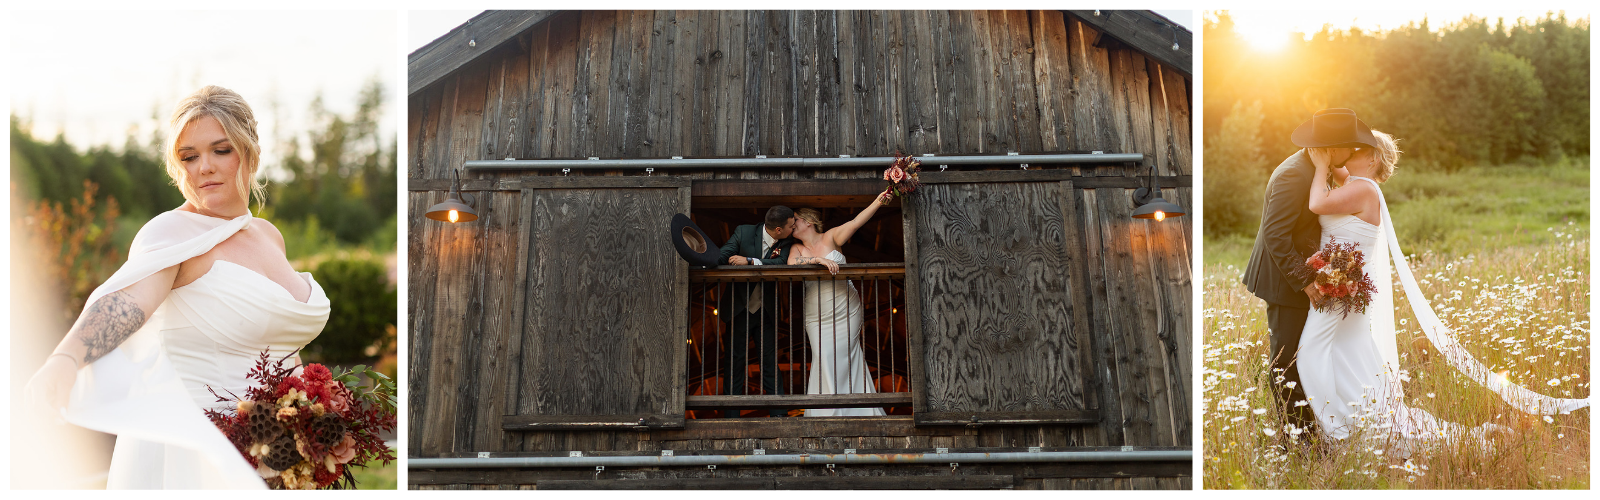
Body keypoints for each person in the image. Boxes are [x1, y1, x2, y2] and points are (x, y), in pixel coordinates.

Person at [22, 86, 330, 489]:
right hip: (200, 451)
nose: (205, 167)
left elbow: (279, 345)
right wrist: (66, 360)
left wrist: (316, 422)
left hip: (281, 452)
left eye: (221, 150)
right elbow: (127, 302)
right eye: (189, 156)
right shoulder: (171, 232)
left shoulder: (269, 236)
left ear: (250, 153)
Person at [1297, 128, 1589, 456]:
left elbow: (1317, 202)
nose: (1349, 150)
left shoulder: (1365, 190)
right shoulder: (1358, 184)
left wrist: (1321, 163)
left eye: (1358, 147)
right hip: (1346, 282)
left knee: (1311, 351)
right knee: (1351, 353)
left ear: (1373, 157)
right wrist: (1328, 148)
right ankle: (1359, 421)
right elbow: (1341, 170)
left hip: (1345, 284)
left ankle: (1337, 431)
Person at [1242, 108, 1375, 437]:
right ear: (1332, 148)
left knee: (1306, 354)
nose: (1353, 154)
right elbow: (1275, 234)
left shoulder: (1316, 167)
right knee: (1286, 359)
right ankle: (1297, 441)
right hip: (1285, 282)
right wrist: (1304, 280)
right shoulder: (1294, 174)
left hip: (1309, 274)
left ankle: (1316, 431)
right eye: (1351, 147)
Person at [788, 190, 893, 417]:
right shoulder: (796, 249)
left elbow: (856, 222)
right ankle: (826, 412)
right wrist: (818, 260)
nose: (790, 224)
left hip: (845, 307)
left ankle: (850, 411)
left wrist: (878, 200)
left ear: (807, 221)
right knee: (823, 355)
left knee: (845, 353)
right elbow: (792, 265)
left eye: (793, 219)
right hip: (816, 314)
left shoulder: (832, 236)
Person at [716, 206, 799, 417]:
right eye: (791, 225)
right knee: (734, 364)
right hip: (738, 309)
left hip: (766, 312)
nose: (794, 227)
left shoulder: (787, 241)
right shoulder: (743, 232)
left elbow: (781, 262)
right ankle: (731, 417)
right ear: (778, 229)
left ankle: (778, 414)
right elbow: (724, 254)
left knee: (770, 363)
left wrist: (750, 262)